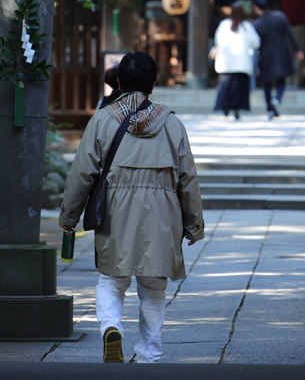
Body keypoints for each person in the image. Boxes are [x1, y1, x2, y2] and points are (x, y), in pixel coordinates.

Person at [59, 52, 204, 364]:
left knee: (111, 279)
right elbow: (187, 178)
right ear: (153, 85)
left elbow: (82, 173)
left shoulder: (101, 120)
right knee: (154, 286)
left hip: (116, 211)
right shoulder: (173, 124)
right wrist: (194, 225)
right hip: (162, 213)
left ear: (120, 82)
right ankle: (149, 353)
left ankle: (111, 326)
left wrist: (69, 216)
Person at [252, 0, 304, 120]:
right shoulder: (280, 16)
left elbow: (254, 43)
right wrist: (298, 49)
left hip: (265, 55)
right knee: (281, 82)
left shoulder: (257, 24)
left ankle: (270, 109)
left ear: (256, 8)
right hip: (281, 52)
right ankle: (277, 100)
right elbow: (290, 34)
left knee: (267, 84)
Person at [212, 2, 260, 120]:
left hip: (226, 66)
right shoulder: (247, 26)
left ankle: (225, 109)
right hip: (242, 66)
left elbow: (217, 41)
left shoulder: (224, 25)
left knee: (225, 89)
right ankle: (237, 110)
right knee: (239, 91)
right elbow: (256, 43)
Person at [279, 0, 305, 87]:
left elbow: (282, 9)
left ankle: (288, 80)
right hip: (299, 27)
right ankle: (296, 81)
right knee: (299, 53)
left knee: (288, 53)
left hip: (287, 27)